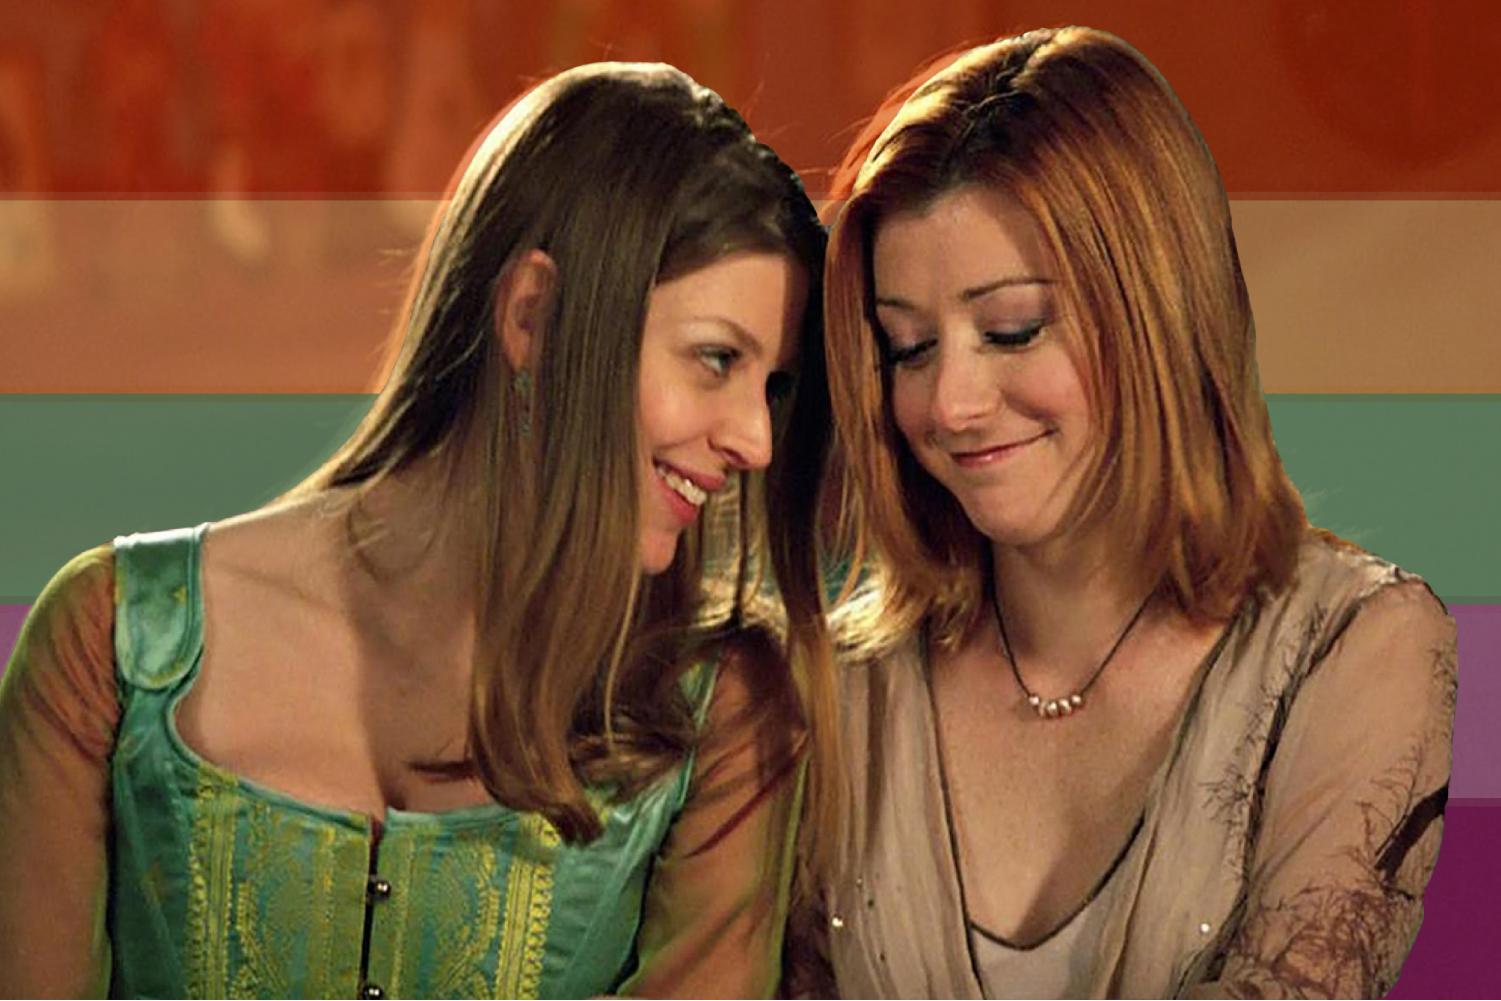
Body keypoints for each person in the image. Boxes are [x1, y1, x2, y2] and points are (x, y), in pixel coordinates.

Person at [0, 61, 838, 998]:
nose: (756, 439)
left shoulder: (720, 710)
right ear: (534, 316)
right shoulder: (114, 647)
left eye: (772, 384)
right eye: (715, 358)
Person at [807, 26, 1457, 998]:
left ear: (1157, 308)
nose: (949, 404)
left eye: (1011, 329)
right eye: (908, 347)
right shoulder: (830, 685)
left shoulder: (1357, 644)